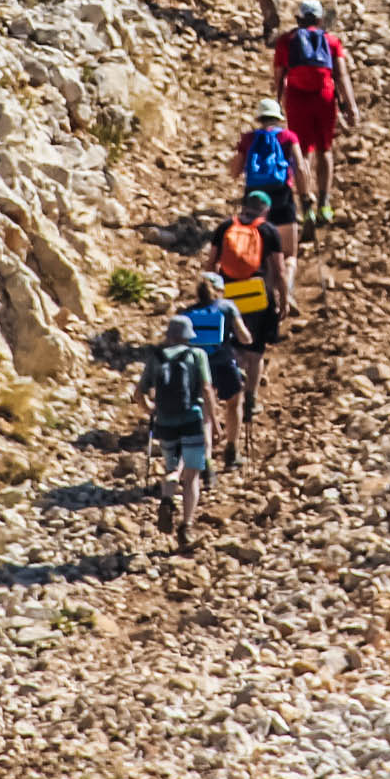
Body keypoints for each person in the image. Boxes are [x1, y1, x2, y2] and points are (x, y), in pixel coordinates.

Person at [271, 0, 362, 228]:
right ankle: (325, 203)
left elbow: (279, 77)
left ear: (298, 19)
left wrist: (276, 105)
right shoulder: (331, 41)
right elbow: (341, 75)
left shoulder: (286, 41)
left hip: (297, 98)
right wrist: (351, 106)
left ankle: (306, 205)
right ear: (320, 20)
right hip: (324, 97)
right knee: (325, 150)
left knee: (301, 152)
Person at [136, 313, 216, 548]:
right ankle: (186, 526)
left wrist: (150, 409)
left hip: (165, 422)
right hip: (192, 418)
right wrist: (215, 422)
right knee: (191, 475)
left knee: (172, 465)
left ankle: (168, 497)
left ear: (169, 335)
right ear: (187, 336)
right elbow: (207, 389)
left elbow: (138, 394)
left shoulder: (156, 357)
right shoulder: (196, 355)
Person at [210, 191, 281, 427]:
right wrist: (283, 298)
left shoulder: (225, 227)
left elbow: (211, 265)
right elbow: (278, 270)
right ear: (265, 210)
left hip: (229, 295)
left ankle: (234, 389)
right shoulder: (268, 231)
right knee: (256, 350)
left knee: (233, 344)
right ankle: (251, 399)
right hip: (258, 296)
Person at [235, 98, 305, 315]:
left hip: (254, 198)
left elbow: (234, 171)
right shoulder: (288, 137)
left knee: (262, 253)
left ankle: (266, 297)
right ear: (278, 117)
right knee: (289, 254)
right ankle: (287, 292)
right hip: (282, 196)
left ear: (259, 117)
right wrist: (306, 196)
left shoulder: (248, 139)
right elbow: (301, 167)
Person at [181, 272, 251, 471]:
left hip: (197, 366)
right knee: (235, 402)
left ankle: (207, 462)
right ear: (219, 290)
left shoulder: (187, 313)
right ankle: (232, 450)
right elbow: (244, 336)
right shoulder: (227, 307)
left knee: (204, 414)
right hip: (224, 363)